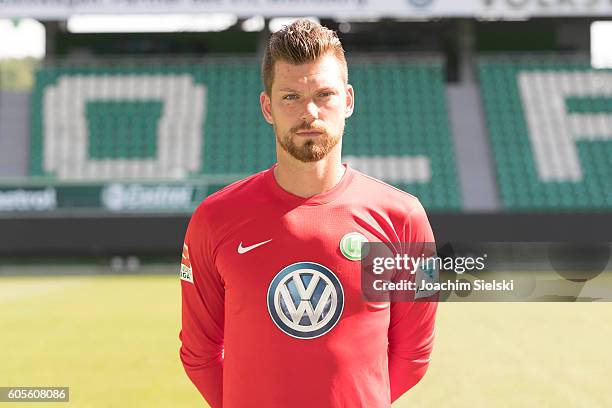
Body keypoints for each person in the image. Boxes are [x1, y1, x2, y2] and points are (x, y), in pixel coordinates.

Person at [179, 19, 438, 408]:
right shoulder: (215, 218)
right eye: (290, 97)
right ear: (267, 107)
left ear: (347, 101)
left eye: (324, 94)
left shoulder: (403, 217)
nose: (310, 112)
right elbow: (199, 354)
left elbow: (414, 355)